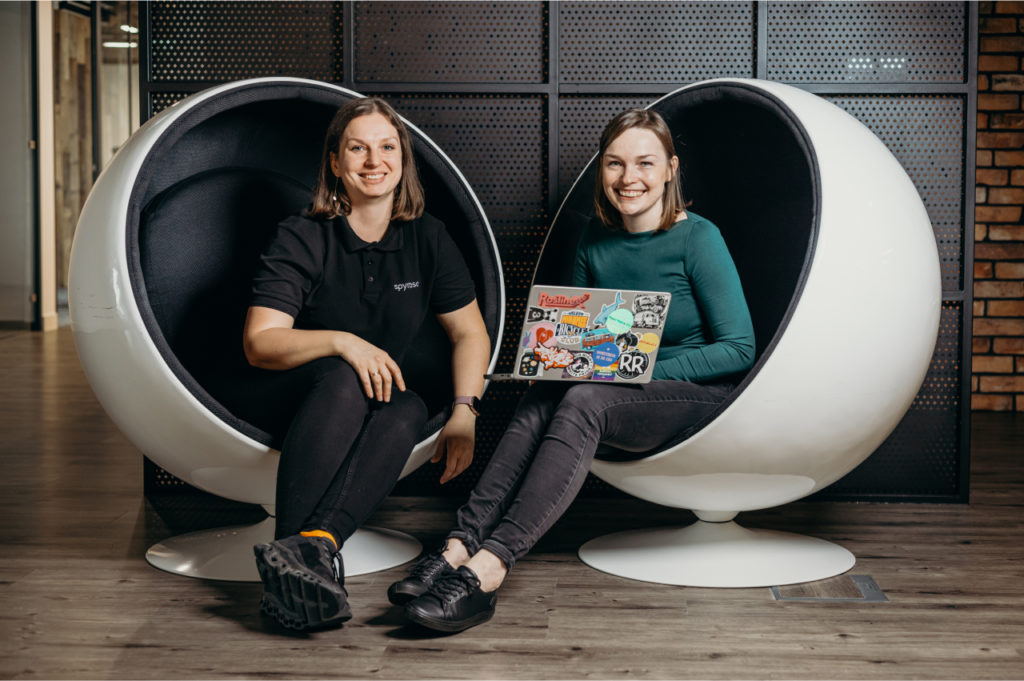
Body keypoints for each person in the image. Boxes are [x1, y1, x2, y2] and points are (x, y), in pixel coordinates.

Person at [388, 108, 756, 633]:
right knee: (541, 396)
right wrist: (555, 361)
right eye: (615, 164)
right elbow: (583, 339)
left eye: (645, 163)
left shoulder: (698, 238)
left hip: (699, 396)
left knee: (584, 399)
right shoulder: (593, 242)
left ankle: (488, 570)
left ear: (671, 169)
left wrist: (634, 364)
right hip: (616, 392)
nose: (630, 178)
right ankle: (455, 548)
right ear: (602, 171)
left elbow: (740, 349)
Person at [217, 97, 490, 631]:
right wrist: (343, 341)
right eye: (358, 148)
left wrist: (464, 412)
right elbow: (260, 342)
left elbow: (469, 332)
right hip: (280, 394)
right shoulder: (303, 234)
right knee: (348, 378)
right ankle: (296, 561)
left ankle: (312, 551)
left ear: (402, 161)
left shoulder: (427, 237)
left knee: (408, 403)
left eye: (387, 147)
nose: (374, 160)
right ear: (336, 163)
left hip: (368, 400)